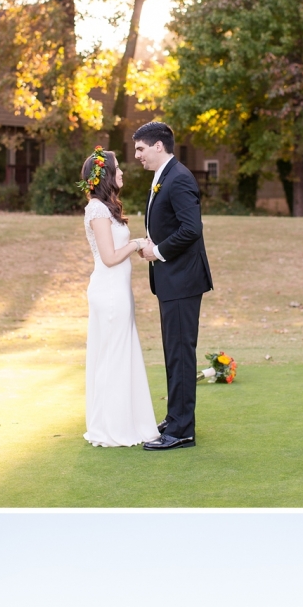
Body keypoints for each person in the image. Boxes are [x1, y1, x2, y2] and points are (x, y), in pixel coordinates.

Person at [133, 121, 213, 449]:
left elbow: (192, 228)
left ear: (158, 146)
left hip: (182, 280)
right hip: (171, 280)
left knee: (180, 354)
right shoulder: (163, 176)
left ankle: (181, 431)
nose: (136, 155)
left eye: (140, 148)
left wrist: (158, 250)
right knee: (173, 353)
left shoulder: (178, 178)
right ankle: (176, 417)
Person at [80, 148, 159, 448]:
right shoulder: (96, 210)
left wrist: (140, 243)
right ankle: (112, 427)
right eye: (118, 168)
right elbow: (110, 257)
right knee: (112, 357)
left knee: (121, 354)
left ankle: (129, 421)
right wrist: (137, 242)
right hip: (109, 292)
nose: (123, 172)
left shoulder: (107, 208)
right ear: (105, 175)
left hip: (118, 290)